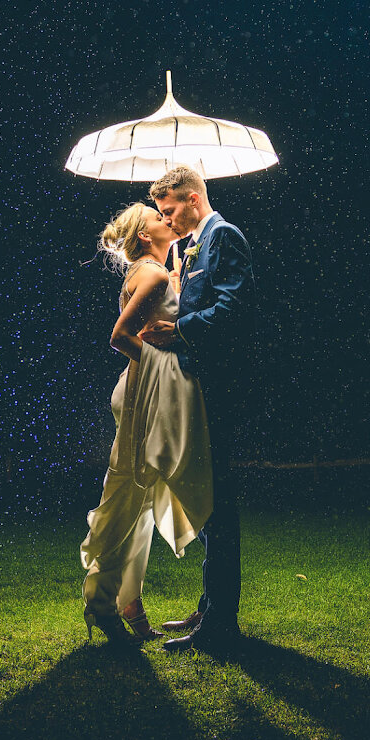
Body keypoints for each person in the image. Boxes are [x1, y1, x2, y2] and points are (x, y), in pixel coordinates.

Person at [80, 204, 214, 647]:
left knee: (139, 499)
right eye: (158, 217)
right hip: (146, 396)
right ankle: (102, 604)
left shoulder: (156, 272)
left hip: (148, 391)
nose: (167, 219)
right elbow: (120, 337)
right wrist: (167, 360)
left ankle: (127, 601)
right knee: (127, 497)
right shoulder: (152, 276)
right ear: (144, 236)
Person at [140, 164, 255, 654]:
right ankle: (210, 606)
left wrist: (181, 330)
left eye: (170, 210)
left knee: (219, 505)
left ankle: (221, 624)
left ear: (191, 197)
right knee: (206, 499)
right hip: (197, 384)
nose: (168, 221)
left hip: (220, 388)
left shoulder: (224, 237)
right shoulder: (189, 248)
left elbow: (234, 309)